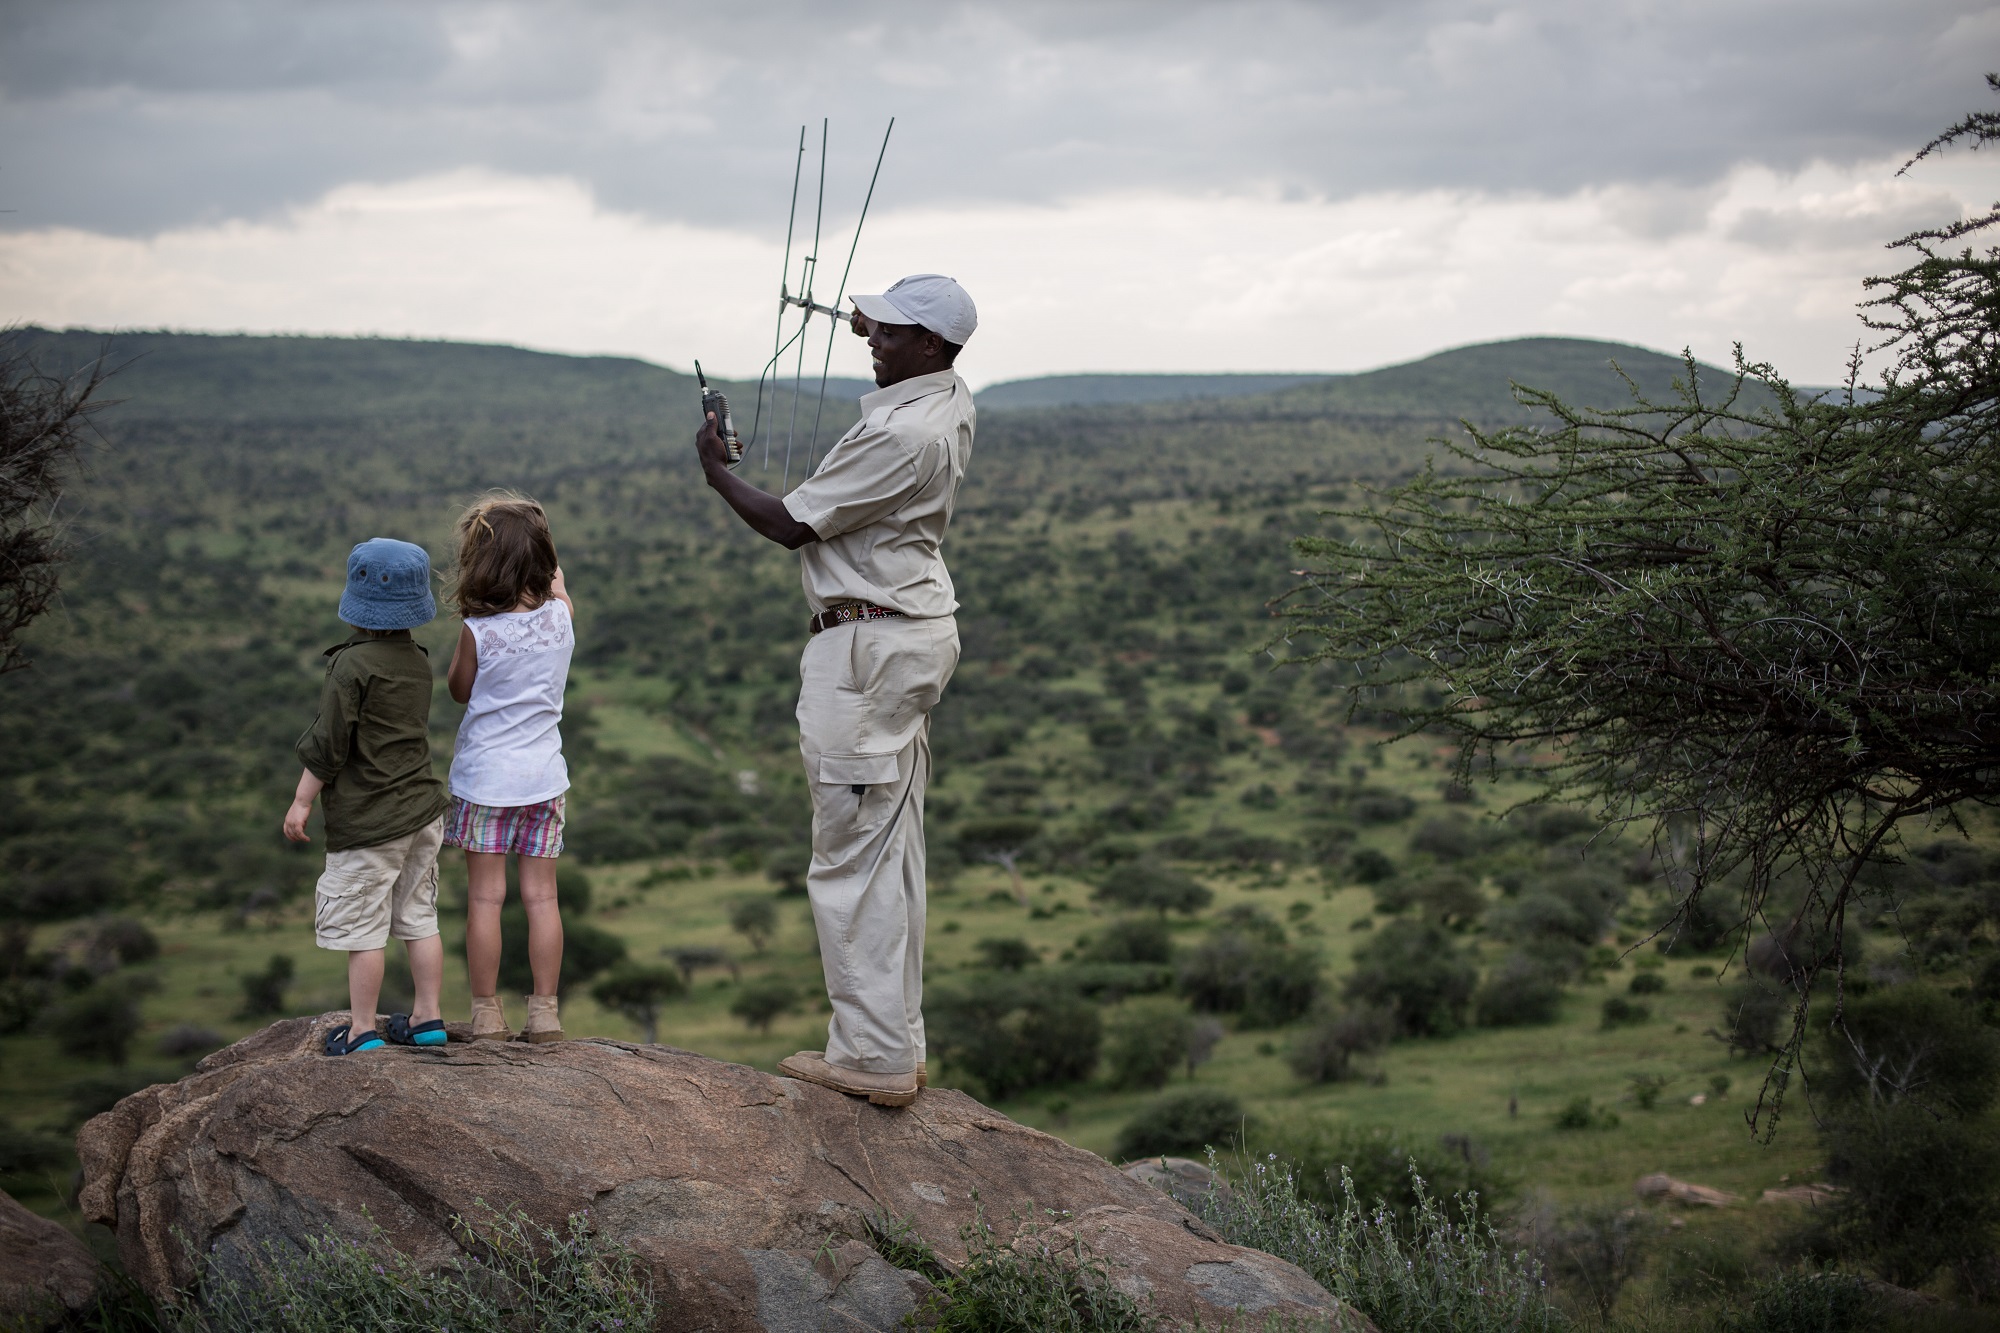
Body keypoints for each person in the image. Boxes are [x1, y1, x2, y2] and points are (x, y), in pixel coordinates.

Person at [695, 273, 977, 1107]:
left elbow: (790, 525)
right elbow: (904, 355)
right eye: (872, 324)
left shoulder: (900, 437)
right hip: (909, 632)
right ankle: (899, 1043)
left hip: (865, 650)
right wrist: (874, 326)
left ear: (929, 345)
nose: (870, 338)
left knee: (849, 855)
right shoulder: (950, 397)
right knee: (892, 849)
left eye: (890, 332)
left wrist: (717, 471)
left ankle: (871, 1058)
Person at [284, 538, 450, 1056]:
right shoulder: (418, 661)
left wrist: (301, 801)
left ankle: (361, 1032)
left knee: (365, 929)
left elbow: (329, 743)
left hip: (371, 821)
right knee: (419, 917)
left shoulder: (351, 666)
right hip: (423, 813)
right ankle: (428, 1019)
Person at [442, 493, 576, 1043]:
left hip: (485, 783)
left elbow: (457, 690)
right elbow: (558, 586)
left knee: (485, 899)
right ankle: (545, 1013)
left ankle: (486, 1014)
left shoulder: (479, 630)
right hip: (545, 780)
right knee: (542, 898)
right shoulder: (562, 618)